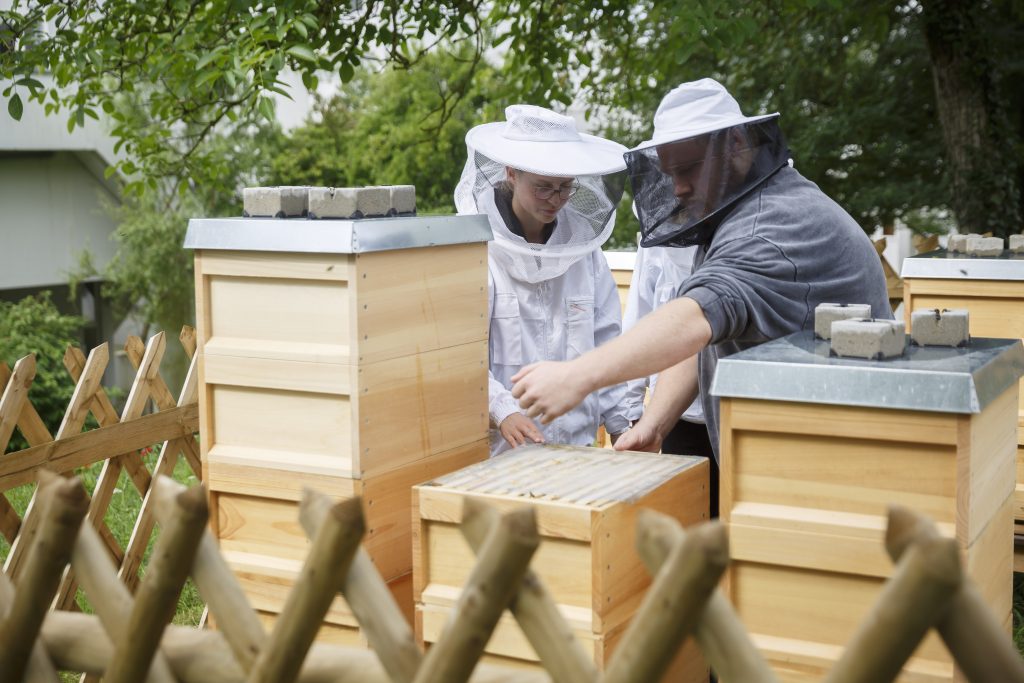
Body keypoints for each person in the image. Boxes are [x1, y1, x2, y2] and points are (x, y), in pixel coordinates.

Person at [510, 79, 892, 504]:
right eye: (671, 173)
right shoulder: (738, 213)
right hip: (792, 462)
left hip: (831, 474)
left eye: (688, 169)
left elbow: (693, 318)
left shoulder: (771, 227)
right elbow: (708, 336)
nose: (677, 188)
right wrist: (655, 423)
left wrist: (575, 376)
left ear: (735, 145)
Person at [454, 104, 631, 457]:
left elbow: (607, 343)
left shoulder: (585, 254)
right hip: (503, 455)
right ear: (511, 174)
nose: (556, 200)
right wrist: (502, 410)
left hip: (579, 449)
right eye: (543, 187)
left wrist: (624, 424)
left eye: (565, 188)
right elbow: (462, 353)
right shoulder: (478, 253)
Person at [622, 241, 718, 514]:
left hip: (732, 410)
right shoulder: (654, 243)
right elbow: (639, 319)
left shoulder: (739, 233)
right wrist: (634, 411)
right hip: (675, 416)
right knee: (684, 516)